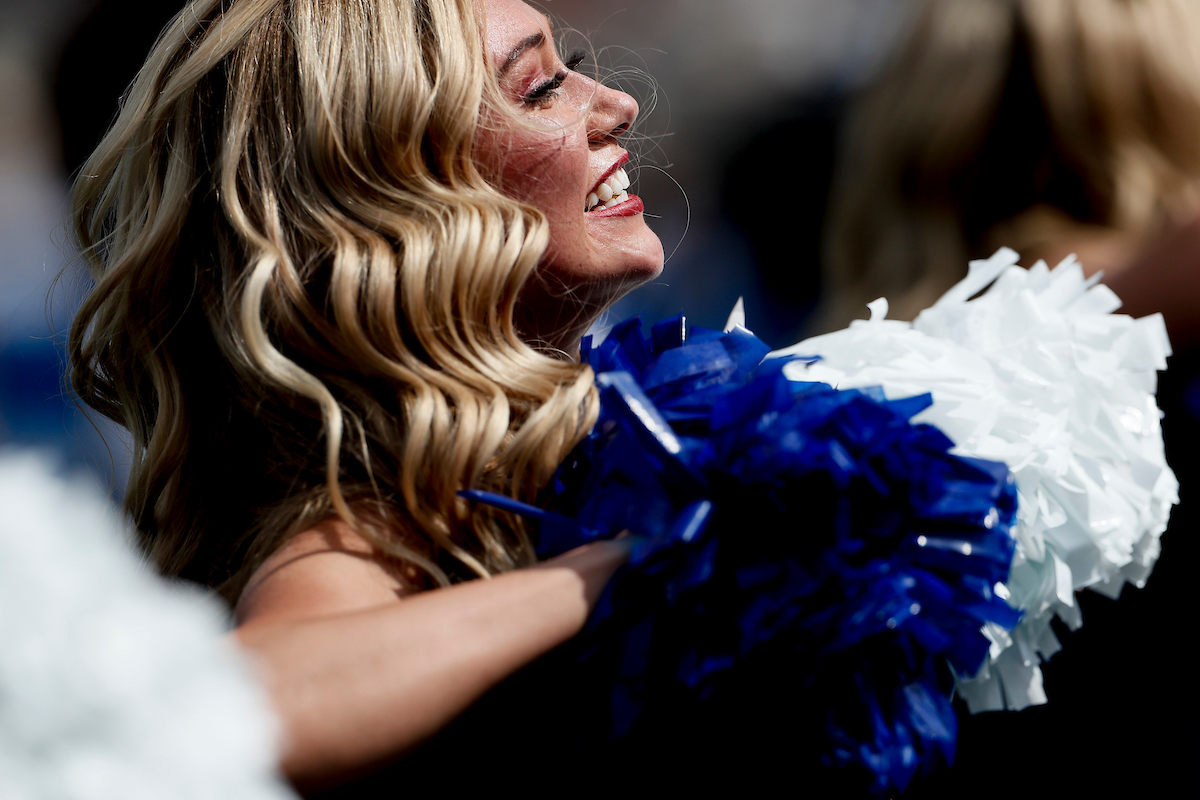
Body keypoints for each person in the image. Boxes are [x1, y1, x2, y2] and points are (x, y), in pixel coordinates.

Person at [67, 0, 664, 790]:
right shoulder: (359, 537)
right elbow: (238, 706)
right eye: (540, 88)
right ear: (394, 205)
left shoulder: (588, 463)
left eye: (574, 69)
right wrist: (638, 560)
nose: (618, 105)